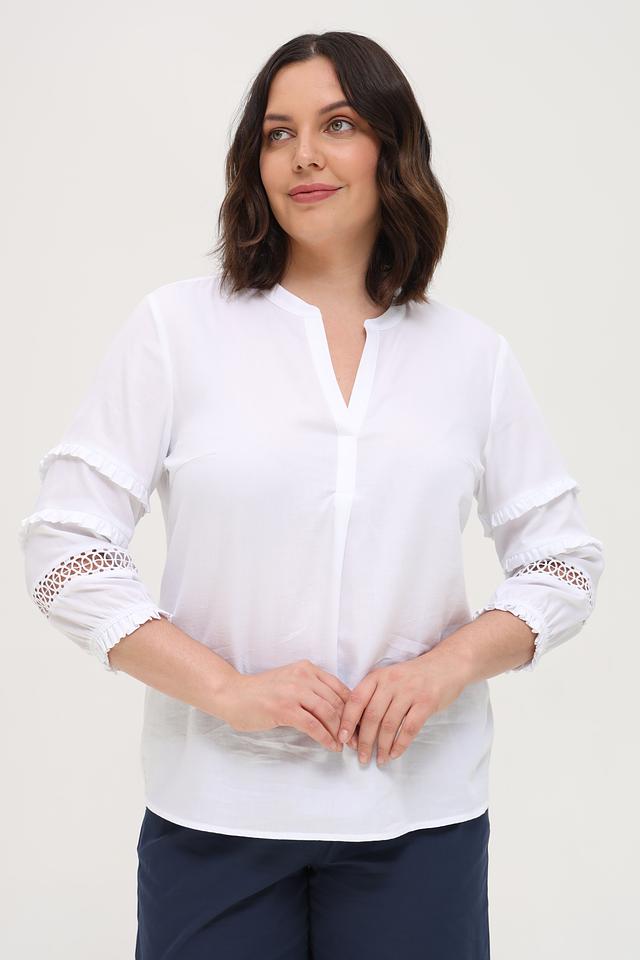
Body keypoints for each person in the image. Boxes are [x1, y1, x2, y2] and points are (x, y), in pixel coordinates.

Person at [19, 30, 604, 960]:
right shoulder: (175, 331)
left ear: (390, 148)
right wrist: (225, 690)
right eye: (278, 132)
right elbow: (65, 547)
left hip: (420, 820)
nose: (304, 155)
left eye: (337, 124)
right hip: (213, 817)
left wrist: (442, 669)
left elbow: (562, 561)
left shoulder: (472, 358)